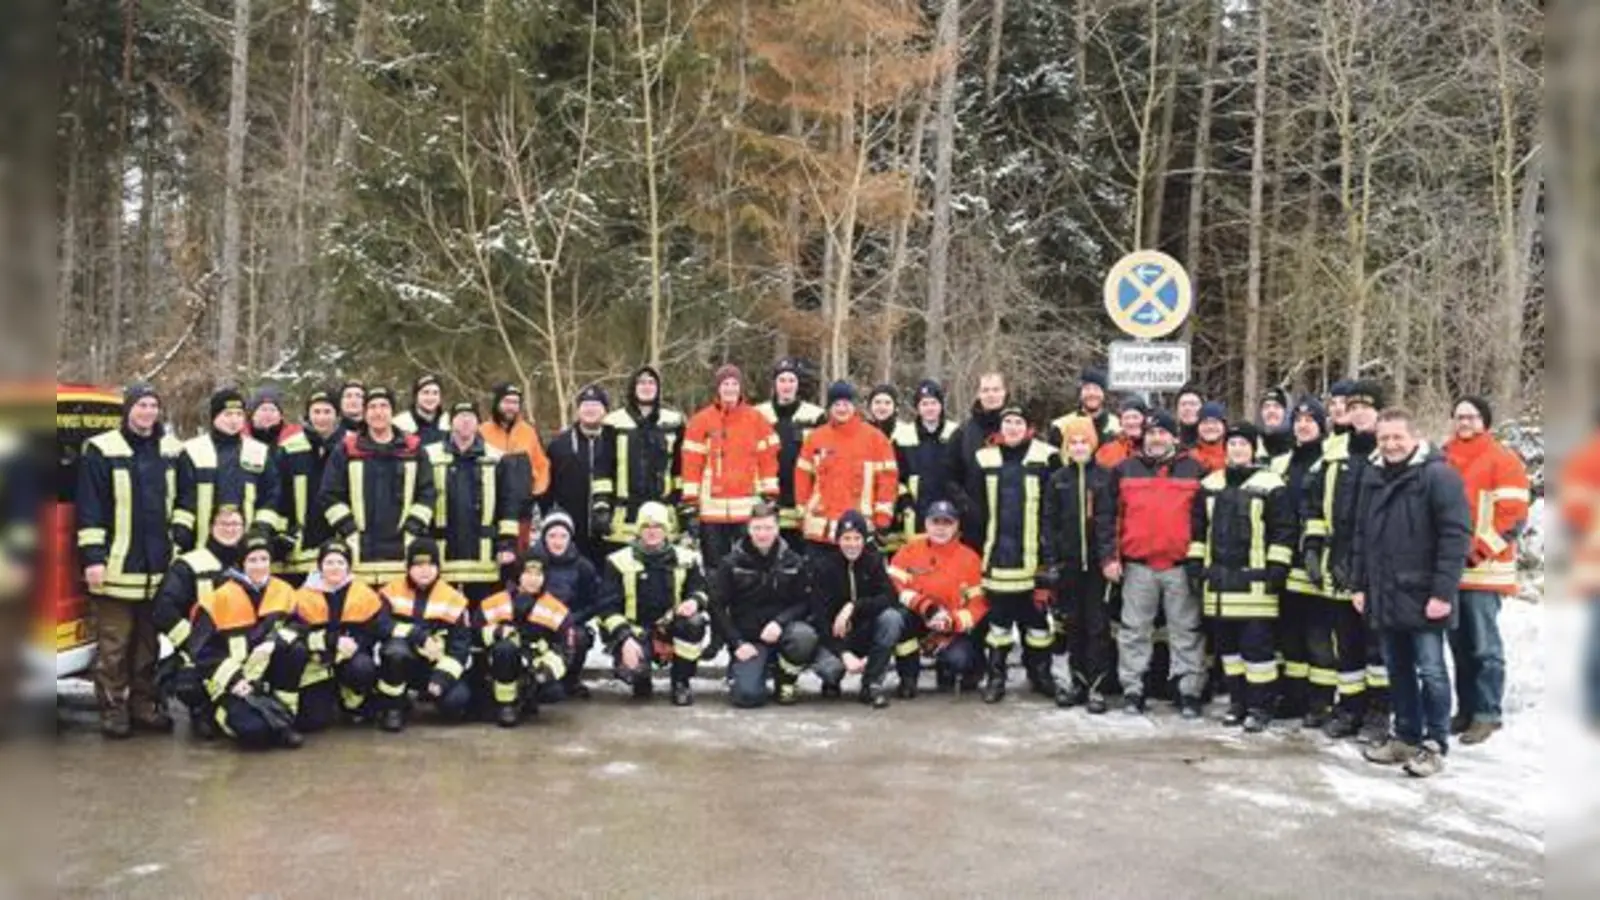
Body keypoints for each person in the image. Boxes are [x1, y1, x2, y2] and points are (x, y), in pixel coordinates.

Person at [1353, 408, 1471, 778]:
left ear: (1415, 437)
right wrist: (1359, 584)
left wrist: (1443, 592)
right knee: (1397, 669)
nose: (1390, 445)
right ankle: (1405, 735)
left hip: (1424, 595)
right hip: (1385, 593)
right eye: (1384, 438)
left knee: (1432, 671)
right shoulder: (1372, 476)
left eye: (1397, 437)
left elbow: (1456, 537)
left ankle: (1434, 742)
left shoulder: (1438, 476)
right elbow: (1361, 536)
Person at [75, 382, 185, 737]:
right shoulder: (102, 449)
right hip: (115, 568)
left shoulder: (170, 450)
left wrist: (178, 544)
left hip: (158, 568)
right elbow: (90, 510)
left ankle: (144, 705)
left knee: (148, 645)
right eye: (141, 405)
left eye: (154, 405)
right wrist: (93, 558)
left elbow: (182, 500)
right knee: (115, 645)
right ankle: (113, 709)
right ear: (128, 410)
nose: (148, 412)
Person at [1095, 408, 1207, 716]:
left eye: (1163, 433)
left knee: (1186, 631)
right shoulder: (1124, 469)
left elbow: (1204, 520)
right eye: (1151, 433)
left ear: (1173, 436)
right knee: (1133, 631)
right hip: (1137, 566)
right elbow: (1108, 518)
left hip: (1180, 566)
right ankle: (1133, 689)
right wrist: (1109, 557)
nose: (1157, 439)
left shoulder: (1195, 470)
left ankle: (1189, 691)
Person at [1191, 422, 1295, 732]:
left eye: (1243, 444)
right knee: (1229, 652)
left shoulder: (1271, 483)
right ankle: (1238, 702)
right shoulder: (1210, 483)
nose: (1237, 449)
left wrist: (1278, 565)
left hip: (1256, 586)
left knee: (1258, 652)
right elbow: (1198, 528)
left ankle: (1260, 706)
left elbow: (1284, 528)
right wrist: (1196, 562)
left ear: (1254, 449)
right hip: (1219, 585)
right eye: (1232, 443)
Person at [1301, 380, 1390, 742]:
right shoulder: (1332, 449)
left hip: (1378, 563)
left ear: (1379, 412)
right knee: (1347, 643)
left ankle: (1379, 712)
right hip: (1338, 561)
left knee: (1377, 645)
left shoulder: (1390, 448)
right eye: (1353, 407)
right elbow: (1312, 499)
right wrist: (1313, 545)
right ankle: (1350, 707)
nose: (1358, 413)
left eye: (1366, 407)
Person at [1442, 395, 1530, 745]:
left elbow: (1513, 517)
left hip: (1486, 569)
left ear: (1486, 422)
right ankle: (1465, 711)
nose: (1465, 422)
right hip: (1450, 571)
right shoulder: (1443, 457)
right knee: (1459, 647)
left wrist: (1478, 551)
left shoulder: (1503, 459)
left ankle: (1487, 713)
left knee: (1483, 647)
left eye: (1472, 417)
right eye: (1460, 416)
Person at [963, 406, 1058, 703]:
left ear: (1029, 427)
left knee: (1038, 626)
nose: (1013, 427)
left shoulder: (1047, 456)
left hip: (1036, 562)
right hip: (998, 560)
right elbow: (975, 510)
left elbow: (1054, 510)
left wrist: (1050, 558)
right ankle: (996, 678)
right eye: (1008, 422)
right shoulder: (984, 458)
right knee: (999, 626)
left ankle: (1041, 675)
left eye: (1018, 422)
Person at [179, 533, 304, 749]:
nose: (259, 566)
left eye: (264, 559)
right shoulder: (219, 598)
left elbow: (299, 625)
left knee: (297, 650)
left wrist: (274, 642)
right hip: (231, 682)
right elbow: (201, 650)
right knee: (253, 733)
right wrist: (234, 680)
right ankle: (215, 711)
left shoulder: (284, 591)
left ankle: (284, 718)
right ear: (241, 563)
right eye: (252, 560)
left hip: (266, 674)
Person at [318, 387, 437, 586]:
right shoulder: (346, 449)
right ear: (365, 413)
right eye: (372, 407)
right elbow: (329, 494)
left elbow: (427, 493)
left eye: (384, 406)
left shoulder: (413, 449)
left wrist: (411, 529)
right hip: (358, 550)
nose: (378, 412)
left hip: (402, 548)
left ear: (393, 412)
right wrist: (350, 530)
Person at [594, 502, 709, 707]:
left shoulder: (687, 559)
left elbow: (702, 590)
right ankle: (641, 679)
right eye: (646, 526)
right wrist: (625, 638)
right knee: (631, 671)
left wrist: (694, 601)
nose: (652, 531)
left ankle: (680, 682)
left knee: (695, 623)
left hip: (671, 626)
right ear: (639, 530)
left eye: (658, 526)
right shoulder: (617, 561)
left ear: (667, 530)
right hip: (635, 631)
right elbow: (606, 607)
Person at [1271, 396, 1340, 726]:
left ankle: (1321, 701)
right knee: (1289, 635)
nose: (1302, 425)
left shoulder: (1330, 460)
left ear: (1322, 424)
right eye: (1298, 420)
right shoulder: (1280, 463)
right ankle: (1294, 697)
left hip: (1318, 561)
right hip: (1285, 560)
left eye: (1310, 420)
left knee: (1318, 635)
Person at [150, 504, 246, 739]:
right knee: (188, 682)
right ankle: (202, 710)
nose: (230, 529)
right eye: (224, 524)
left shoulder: (252, 561)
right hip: (203, 653)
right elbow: (164, 610)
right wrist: (194, 644)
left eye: (236, 524)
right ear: (211, 527)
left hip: (243, 651)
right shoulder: (189, 564)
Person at [712, 503, 818, 708]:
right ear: (748, 529)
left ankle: (785, 680)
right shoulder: (731, 563)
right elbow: (717, 607)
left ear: (777, 529)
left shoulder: (793, 561)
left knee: (804, 637)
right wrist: (737, 643)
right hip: (749, 641)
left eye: (768, 528)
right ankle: (743, 671)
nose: (762, 534)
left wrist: (780, 622)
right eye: (757, 528)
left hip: (784, 633)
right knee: (747, 697)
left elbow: (805, 602)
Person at [683, 364, 781, 570]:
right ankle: (716, 601)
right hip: (711, 510)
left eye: (734, 384)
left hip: (746, 508)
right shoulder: (700, 421)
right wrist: (691, 503)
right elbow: (692, 463)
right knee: (715, 566)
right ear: (718, 388)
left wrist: (770, 493)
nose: (730, 388)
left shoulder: (756, 419)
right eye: (725, 384)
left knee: (747, 565)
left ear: (740, 388)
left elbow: (768, 458)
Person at [424, 401, 523, 602]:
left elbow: (508, 504)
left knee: (484, 613)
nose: (466, 421)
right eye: (460, 416)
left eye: (471, 416)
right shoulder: (429, 455)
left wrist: (507, 543)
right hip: (442, 551)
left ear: (479, 423)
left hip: (484, 554)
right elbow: (422, 497)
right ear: (451, 422)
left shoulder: (497, 458)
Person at [888, 500, 988, 697]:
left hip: (950, 626)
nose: (940, 528)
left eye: (947, 523)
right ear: (926, 524)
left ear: (957, 526)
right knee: (896, 620)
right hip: (917, 617)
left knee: (960, 659)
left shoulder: (971, 559)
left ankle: (949, 670)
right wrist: (924, 606)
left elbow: (978, 605)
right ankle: (908, 678)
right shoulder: (909, 551)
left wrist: (951, 621)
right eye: (936, 522)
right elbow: (892, 585)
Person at [1046, 416, 1112, 712]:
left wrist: (1110, 557)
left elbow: (1110, 521)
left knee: (1097, 626)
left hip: (1098, 566)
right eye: (1073, 442)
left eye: (1084, 441)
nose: (1079, 447)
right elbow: (1048, 523)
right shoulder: (1058, 479)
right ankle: (1078, 681)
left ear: (1093, 444)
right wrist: (1051, 560)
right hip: (1069, 564)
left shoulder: (1105, 478)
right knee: (1073, 625)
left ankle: (1098, 686)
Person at [282, 540, 385, 731]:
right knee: (313, 722)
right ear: (320, 566)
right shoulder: (300, 597)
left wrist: (357, 645)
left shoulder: (364, 594)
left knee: (363, 668)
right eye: (329, 562)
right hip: (317, 663)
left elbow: (375, 630)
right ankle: (326, 697)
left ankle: (352, 703)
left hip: (351, 660)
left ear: (348, 566)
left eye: (340, 562)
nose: (335, 568)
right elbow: (292, 633)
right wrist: (327, 643)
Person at [373, 539, 473, 732]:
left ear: (438, 567)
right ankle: (393, 708)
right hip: (401, 664)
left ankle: (432, 696)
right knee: (395, 651)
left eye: (430, 564)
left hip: (434, 668)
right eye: (418, 565)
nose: (424, 570)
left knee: (456, 702)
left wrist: (441, 679)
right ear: (408, 567)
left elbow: (460, 648)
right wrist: (417, 635)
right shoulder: (390, 591)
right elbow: (380, 625)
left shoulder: (454, 599)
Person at [808, 511, 904, 708]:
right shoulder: (823, 567)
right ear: (838, 540)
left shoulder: (874, 561)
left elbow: (890, 597)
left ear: (864, 539)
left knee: (892, 619)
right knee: (829, 669)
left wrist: (853, 606)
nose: (852, 544)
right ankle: (831, 681)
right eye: (846, 538)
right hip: (835, 637)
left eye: (857, 538)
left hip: (864, 632)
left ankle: (872, 685)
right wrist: (843, 654)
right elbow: (819, 617)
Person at [171, 387, 282, 552]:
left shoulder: (258, 451)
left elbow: (271, 495)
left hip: (246, 548)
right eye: (228, 414)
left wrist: (261, 528)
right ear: (214, 417)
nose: (234, 420)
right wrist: (181, 531)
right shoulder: (193, 450)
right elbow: (184, 497)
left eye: (239, 414)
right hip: (201, 545)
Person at [794, 381, 898, 551]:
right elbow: (802, 477)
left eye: (846, 404)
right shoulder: (815, 438)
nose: (842, 409)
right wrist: (802, 513)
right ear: (829, 407)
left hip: (860, 530)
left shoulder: (876, 439)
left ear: (854, 406)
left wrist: (883, 519)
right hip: (820, 531)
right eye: (837, 404)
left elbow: (888, 481)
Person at [592, 366, 685, 551]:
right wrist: (601, 505)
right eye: (641, 382)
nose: (646, 386)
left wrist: (683, 506)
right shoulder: (614, 422)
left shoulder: (673, 422)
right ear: (632, 387)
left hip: (663, 511)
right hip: (624, 514)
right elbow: (602, 468)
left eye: (651, 382)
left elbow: (679, 468)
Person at [475, 554, 571, 726]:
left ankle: (526, 698)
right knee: (505, 649)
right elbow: (473, 635)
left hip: (533, 666)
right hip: (497, 665)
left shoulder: (556, 608)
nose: (533, 580)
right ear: (518, 575)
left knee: (554, 692)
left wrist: (546, 670)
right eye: (527, 573)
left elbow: (565, 649)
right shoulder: (494, 602)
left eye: (538, 575)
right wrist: (497, 632)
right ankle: (506, 705)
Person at [528, 512, 602, 699]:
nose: (557, 541)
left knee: (580, 636)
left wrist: (570, 619)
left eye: (563, 536)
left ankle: (571, 679)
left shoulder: (583, 567)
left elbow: (593, 602)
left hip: (569, 623)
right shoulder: (532, 563)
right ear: (544, 537)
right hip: (536, 622)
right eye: (552, 536)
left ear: (570, 538)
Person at [755, 358, 826, 548]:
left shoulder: (815, 416)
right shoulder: (758, 415)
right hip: (767, 499)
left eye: (791, 380)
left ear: (798, 384)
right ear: (775, 384)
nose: (787, 386)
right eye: (782, 380)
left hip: (803, 499)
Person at [272, 389, 342, 582]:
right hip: (300, 545)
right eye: (316, 412)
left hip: (339, 543)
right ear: (308, 415)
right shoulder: (290, 448)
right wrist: (282, 532)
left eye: (327, 412)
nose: (321, 418)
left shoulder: (349, 446)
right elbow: (279, 495)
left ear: (337, 415)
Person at [545, 384, 614, 568]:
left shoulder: (615, 442)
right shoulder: (560, 445)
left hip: (610, 532)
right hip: (572, 533)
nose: (590, 409)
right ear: (578, 410)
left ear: (605, 410)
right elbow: (547, 490)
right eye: (585, 404)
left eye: (596, 405)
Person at [889, 379, 959, 550]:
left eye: (934, 403)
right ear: (917, 407)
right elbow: (894, 475)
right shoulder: (903, 435)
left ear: (941, 405)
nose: (929, 408)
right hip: (915, 511)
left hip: (949, 511)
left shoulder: (955, 433)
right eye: (924, 403)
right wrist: (905, 500)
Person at [480, 381, 554, 535]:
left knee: (520, 554)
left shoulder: (528, 432)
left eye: (515, 402)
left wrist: (534, 493)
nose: (511, 407)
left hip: (522, 510)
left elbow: (542, 464)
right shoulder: (482, 432)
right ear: (497, 403)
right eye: (507, 402)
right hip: (490, 508)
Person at [946, 371, 1009, 549]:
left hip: (1011, 516)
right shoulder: (963, 433)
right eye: (986, 390)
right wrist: (965, 506)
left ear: (1005, 392)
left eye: (996, 390)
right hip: (974, 520)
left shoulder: (1017, 427)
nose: (991, 395)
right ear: (978, 394)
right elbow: (950, 476)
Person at [1049, 369, 1120, 449]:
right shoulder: (1062, 426)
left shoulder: (1117, 427)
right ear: (1080, 393)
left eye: (1096, 389)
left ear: (1103, 394)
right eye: (1087, 389)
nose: (1091, 393)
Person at [393, 373, 447, 445]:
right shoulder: (400, 423)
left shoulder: (449, 422)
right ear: (416, 396)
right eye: (425, 392)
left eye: (435, 393)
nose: (430, 397)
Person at [1094, 401, 1147, 470]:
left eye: (1135, 417)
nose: (1131, 422)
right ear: (1121, 421)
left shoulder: (1154, 446)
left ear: (1144, 420)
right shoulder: (1106, 450)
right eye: (1126, 418)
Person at [1256, 387, 1294, 461]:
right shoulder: (1252, 446)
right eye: (1266, 407)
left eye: (1277, 406)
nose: (1271, 411)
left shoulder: (1299, 447)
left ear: (1287, 412)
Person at [1190, 402, 1228, 473]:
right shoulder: (1189, 456)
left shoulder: (1234, 454)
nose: (1210, 426)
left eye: (1215, 422)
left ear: (1224, 426)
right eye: (1205, 422)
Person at [1175, 383, 1206, 448]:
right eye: (1183, 404)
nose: (1187, 408)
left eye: (1193, 404)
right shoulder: (1170, 443)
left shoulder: (1214, 440)